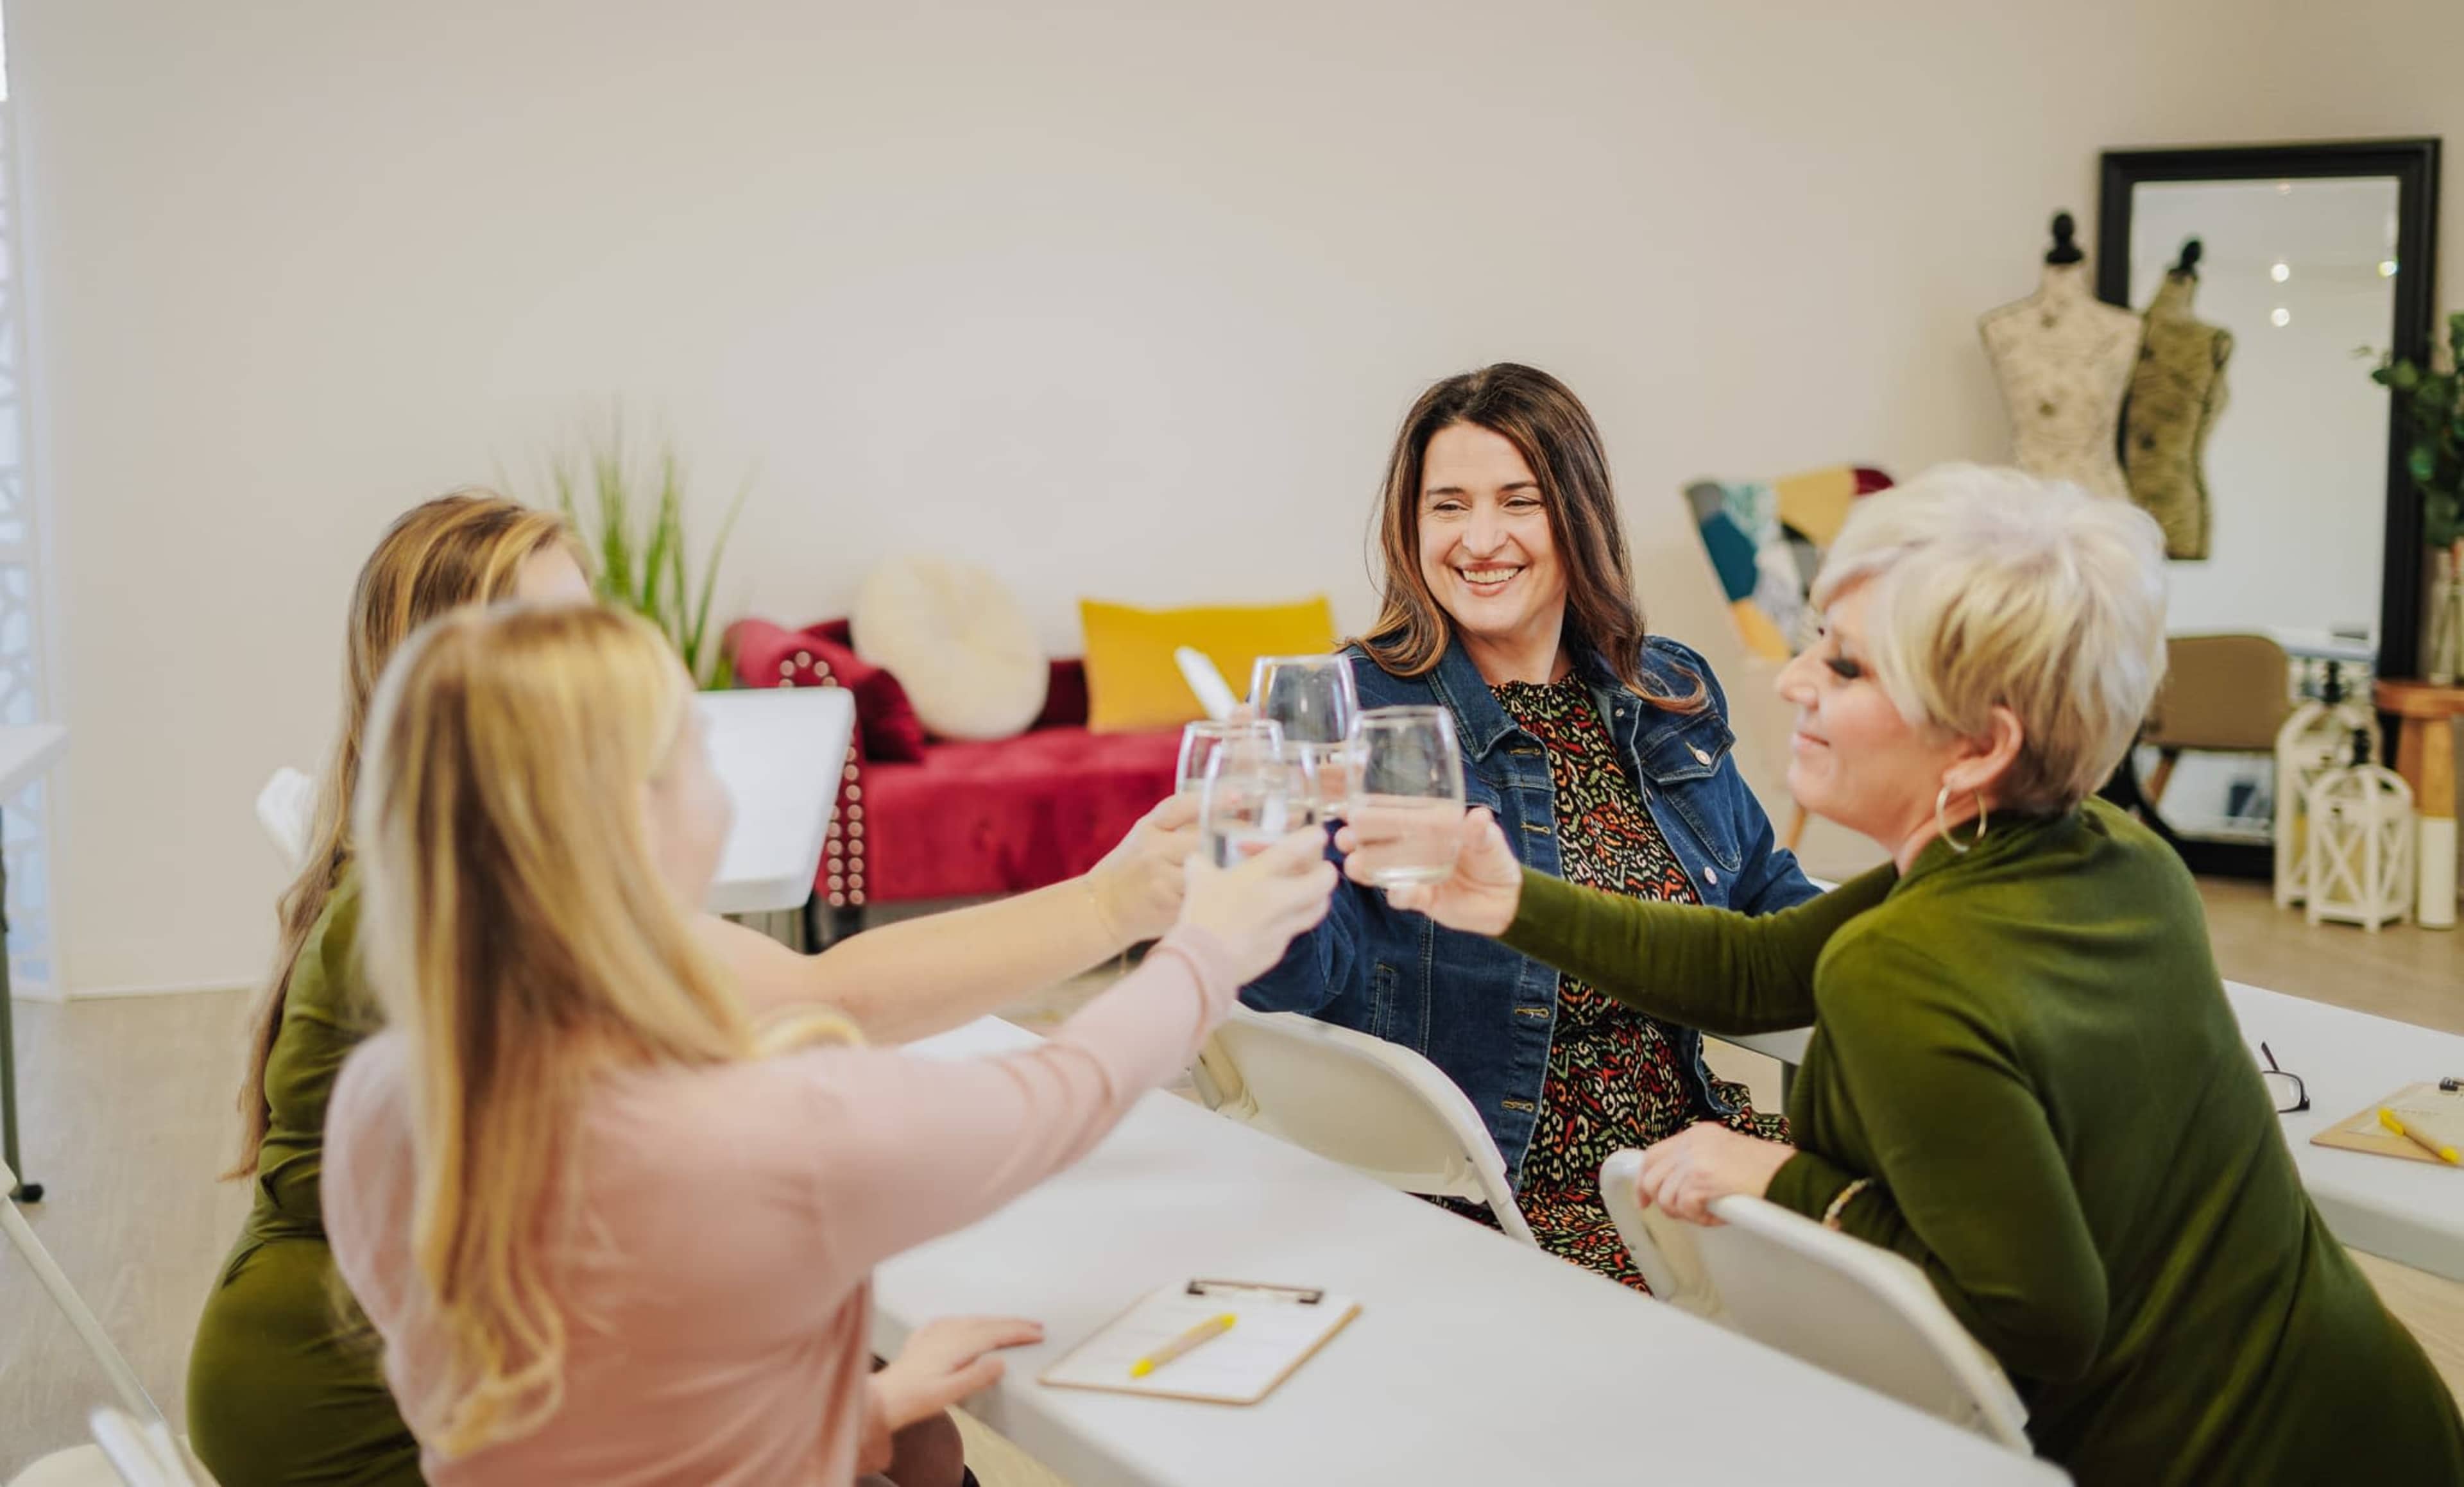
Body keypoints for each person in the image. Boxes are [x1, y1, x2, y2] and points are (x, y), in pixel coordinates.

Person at [1339, 463, 2464, 1484]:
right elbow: (1763, 967)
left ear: (1980, 746)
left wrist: (1768, 1176)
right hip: (2376, 1414)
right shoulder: (2107, 849)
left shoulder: (1902, 971)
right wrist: (1512, 901)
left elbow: (2036, 1318)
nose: (1790, 685)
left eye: (1846, 664)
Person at [189, 491, 1198, 1487]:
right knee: (889, 1421)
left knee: (913, 1433)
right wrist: (1125, 913)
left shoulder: (452, 863)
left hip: (447, 1345)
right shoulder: (465, 900)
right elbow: (835, 1002)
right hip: (348, 1394)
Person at [322, 600, 1336, 1483]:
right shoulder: (753, 1125)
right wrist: (1208, 949)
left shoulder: (383, 1093)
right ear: (633, 817)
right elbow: (1063, 1092)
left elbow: (616, 1426)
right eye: (698, 753)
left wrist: (863, 1416)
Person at [1242, 363, 1817, 1285]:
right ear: (1410, 526)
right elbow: (1286, 993)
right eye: (1448, 506)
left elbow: (1769, 909)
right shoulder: (1353, 713)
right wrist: (1262, 864)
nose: (1480, 540)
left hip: (1683, 1158)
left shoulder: (1658, 686)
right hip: (1499, 1200)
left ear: (1578, 516)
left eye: (1520, 501)